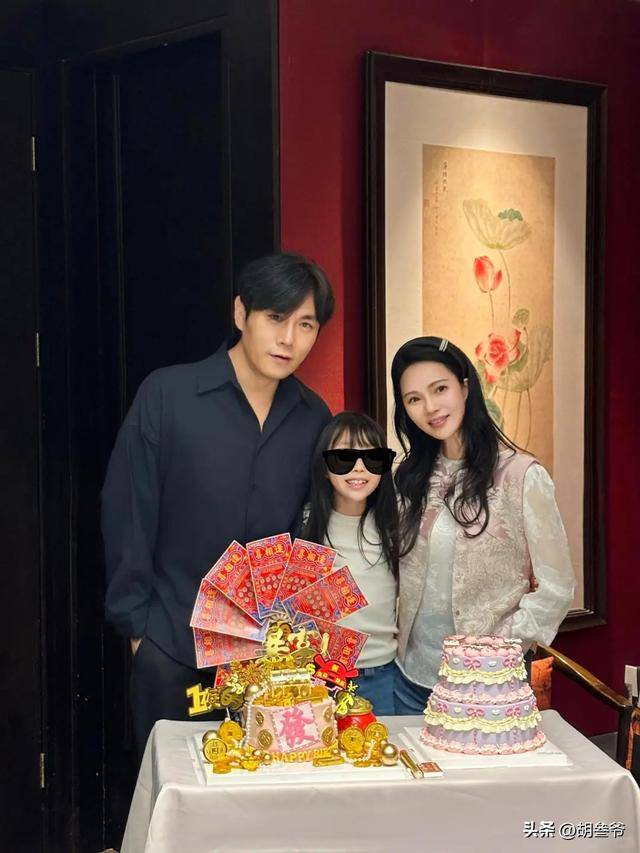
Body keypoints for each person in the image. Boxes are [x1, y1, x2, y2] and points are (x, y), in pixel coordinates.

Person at [102, 252, 335, 759]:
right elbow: (129, 510)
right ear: (240, 313)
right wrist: (138, 630)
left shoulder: (313, 417)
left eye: (305, 324)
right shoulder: (168, 394)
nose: (288, 339)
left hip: (268, 658)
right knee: (173, 787)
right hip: (172, 641)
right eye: (275, 317)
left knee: (260, 796)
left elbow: (312, 530)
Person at [390, 336, 575, 715]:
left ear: (464, 387)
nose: (430, 407)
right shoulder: (408, 479)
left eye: (439, 389)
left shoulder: (521, 476)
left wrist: (503, 649)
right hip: (410, 678)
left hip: (488, 684)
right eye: (414, 399)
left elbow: (556, 587)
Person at [302, 411, 399, 714]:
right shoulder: (305, 526)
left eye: (372, 458)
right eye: (344, 457)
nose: (359, 467)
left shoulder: (396, 526)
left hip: (382, 675)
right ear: (324, 468)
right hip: (318, 677)